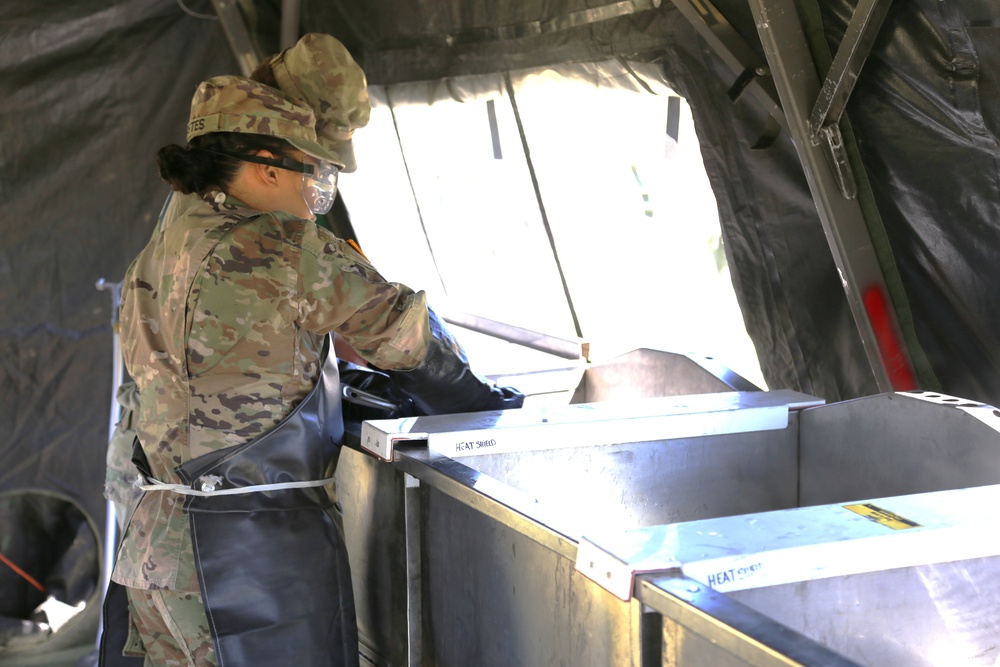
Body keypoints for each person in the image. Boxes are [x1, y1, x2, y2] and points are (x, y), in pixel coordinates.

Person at [104, 75, 523, 667]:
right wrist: (491, 404)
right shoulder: (283, 247)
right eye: (314, 173)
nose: (315, 195)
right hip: (246, 560)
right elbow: (404, 337)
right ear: (268, 167)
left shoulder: (156, 254)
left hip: (155, 551)